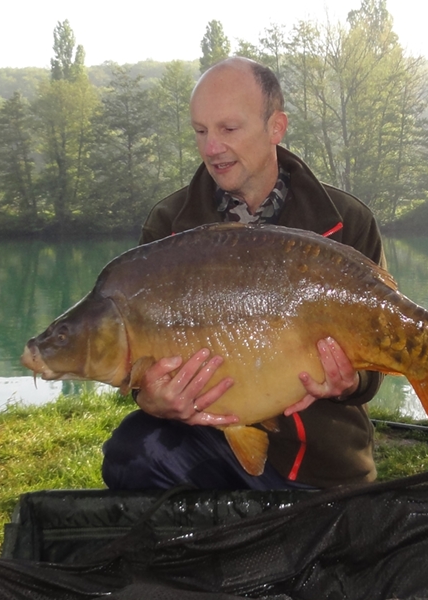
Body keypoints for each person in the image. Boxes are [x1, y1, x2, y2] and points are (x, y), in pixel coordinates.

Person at [100, 57, 385, 492]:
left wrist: (353, 379)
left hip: (322, 463)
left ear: (276, 127)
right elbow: (140, 357)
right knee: (131, 453)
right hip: (208, 447)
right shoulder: (169, 225)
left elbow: (376, 368)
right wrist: (151, 399)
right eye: (200, 131)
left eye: (228, 129)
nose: (211, 147)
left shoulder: (346, 221)